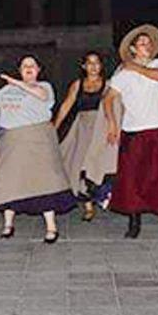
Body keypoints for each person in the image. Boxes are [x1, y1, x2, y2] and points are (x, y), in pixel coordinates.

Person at [0, 56, 78, 242]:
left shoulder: (45, 86)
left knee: (44, 182)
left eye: (32, 65)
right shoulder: (8, 89)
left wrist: (16, 81)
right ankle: (8, 225)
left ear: (38, 69)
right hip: (12, 141)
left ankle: (51, 227)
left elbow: (40, 95)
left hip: (37, 141)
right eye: (24, 66)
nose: (28, 68)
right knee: (9, 182)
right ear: (20, 70)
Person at [102, 24, 158, 239]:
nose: (147, 47)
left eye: (149, 43)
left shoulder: (157, 63)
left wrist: (134, 68)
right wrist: (113, 123)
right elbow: (108, 99)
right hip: (133, 132)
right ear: (133, 49)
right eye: (142, 44)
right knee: (134, 178)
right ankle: (134, 224)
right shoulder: (123, 74)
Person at [52, 51, 118, 221]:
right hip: (82, 128)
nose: (93, 66)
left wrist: (114, 127)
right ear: (84, 66)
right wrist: (55, 126)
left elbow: (116, 107)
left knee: (98, 165)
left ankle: (103, 195)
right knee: (79, 165)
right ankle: (88, 206)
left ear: (101, 66)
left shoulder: (109, 85)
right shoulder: (77, 84)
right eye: (89, 63)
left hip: (101, 129)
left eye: (96, 63)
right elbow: (66, 106)